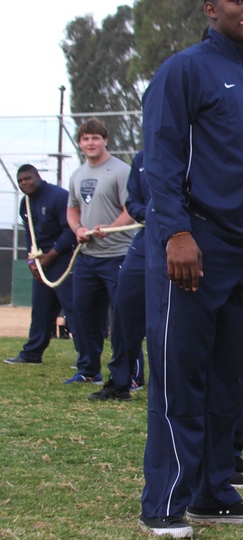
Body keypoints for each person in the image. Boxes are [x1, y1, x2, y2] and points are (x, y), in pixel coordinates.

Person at [138, 0, 243, 539]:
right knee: (180, 378)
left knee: (230, 379)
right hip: (193, 248)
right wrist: (175, 234)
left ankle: (213, 493)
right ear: (211, 9)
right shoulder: (184, 70)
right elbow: (158, 157)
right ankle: (162, 503)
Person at [64, 118, 135, 385]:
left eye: (95, 138)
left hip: (118, 255)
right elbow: (72, 208)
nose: (90, 143)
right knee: (82, 315)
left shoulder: (121, 170)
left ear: (105, 140)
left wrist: (112, 227)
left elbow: (132, 209)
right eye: (85, 139)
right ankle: (88, 370)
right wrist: (78, 228)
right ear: (80, 143)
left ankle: (130, 375)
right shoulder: (77, 174)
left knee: (124, 318)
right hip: (87, 257)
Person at [4, 165, 82, 367]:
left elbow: (70, 230)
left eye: (28, 179)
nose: (24, 184)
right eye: (20, 181)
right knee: (40, 309)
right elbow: (31, 235)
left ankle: (85, 357)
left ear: (38, 177)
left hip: (63, 258)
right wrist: (32, 261)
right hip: (42, 262)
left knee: (73, 307)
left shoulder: (58, 196)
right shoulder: (26, 203)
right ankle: (32, 353)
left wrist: (52, 255)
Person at [89, 150, 149, 401]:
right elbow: (133, 202)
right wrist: (153, 213)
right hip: (148, 239)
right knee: (125, 305)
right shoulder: (142, 159)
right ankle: (121, 381)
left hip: (191, 240)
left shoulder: (197, 150)